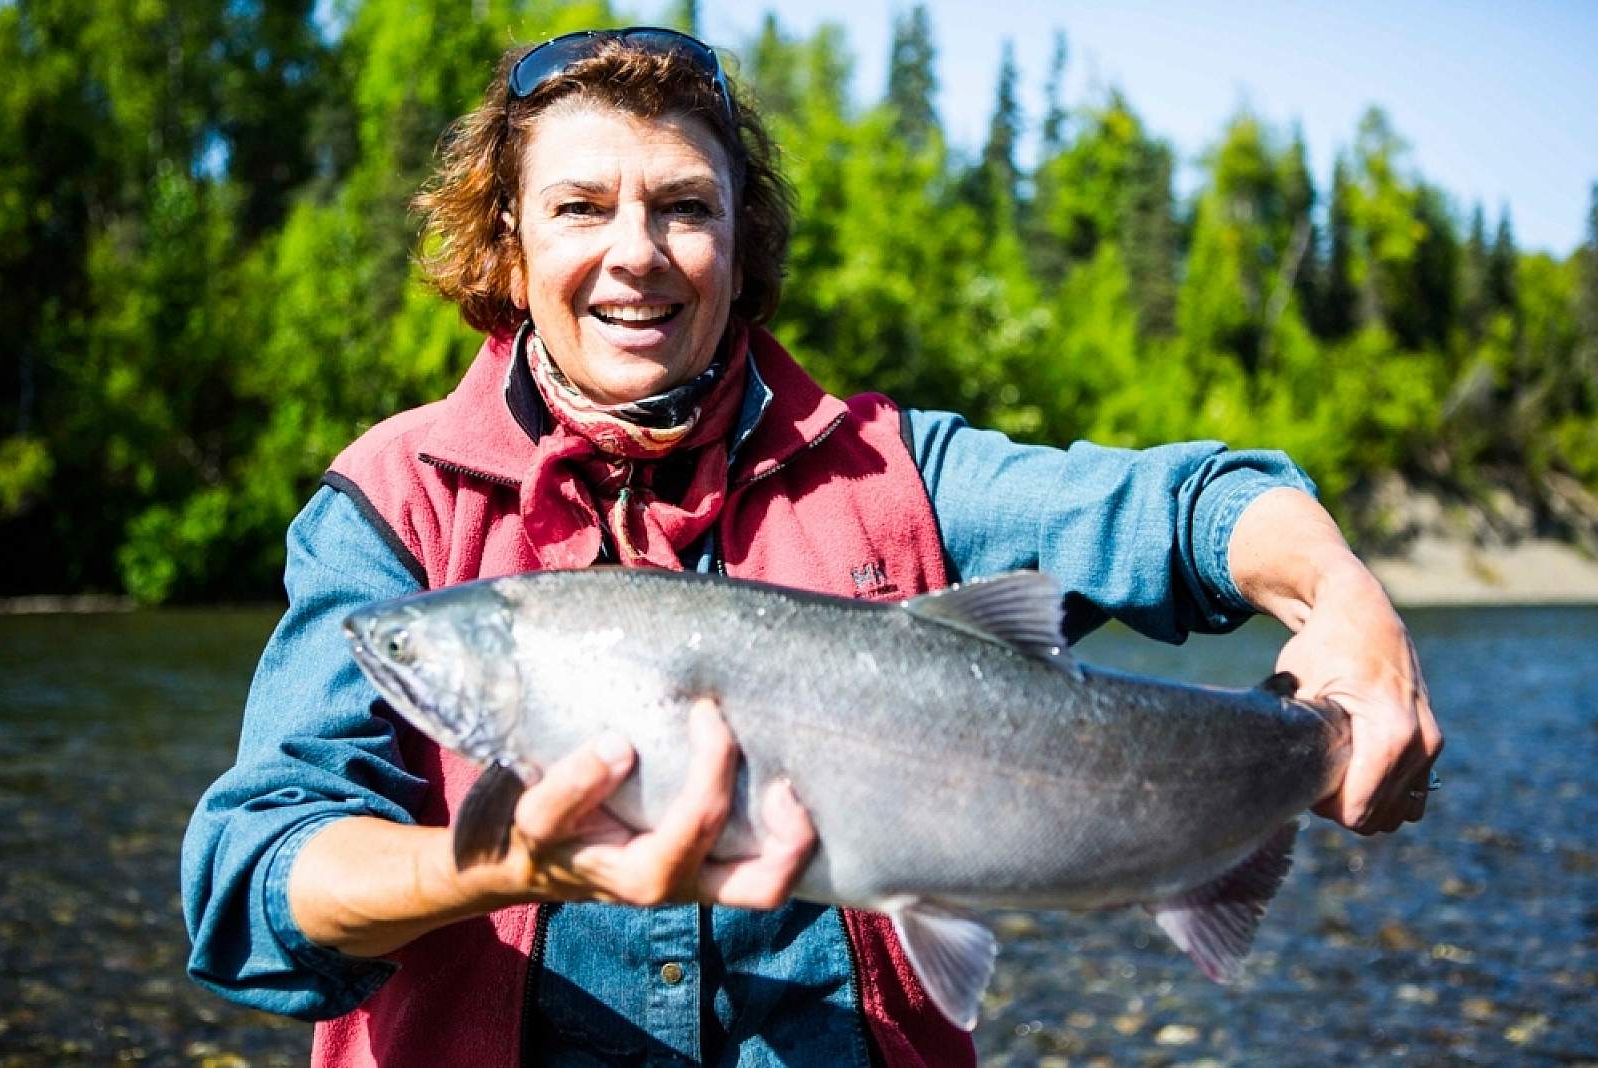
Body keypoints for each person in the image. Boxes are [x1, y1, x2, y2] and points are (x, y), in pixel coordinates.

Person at [182, 27, 1443, 1068]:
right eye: (579, 207)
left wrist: (1340, 598)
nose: (635, 253)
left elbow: (1189, 509)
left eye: (684, 207)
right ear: (509, 246)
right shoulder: (394, 503)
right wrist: (504, 865)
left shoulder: (892, 470)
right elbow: (248, 885)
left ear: (739, 244)